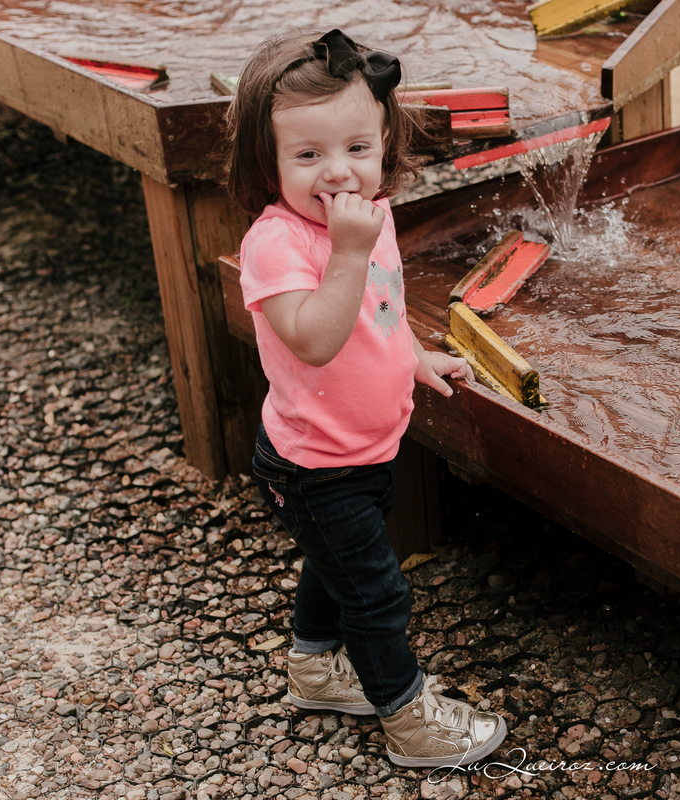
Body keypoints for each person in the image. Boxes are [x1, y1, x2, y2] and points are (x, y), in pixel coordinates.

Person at [224, 28, 505, 768]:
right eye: (308, 156)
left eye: (357, 148)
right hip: (313, 466)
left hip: (366, 448)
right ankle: (408, 719)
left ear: (385, 145)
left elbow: (382, 305)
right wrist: (348, 251)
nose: (339, 172)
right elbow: (314, 339)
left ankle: (315, 668)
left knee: (336, 567)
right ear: (266, 163)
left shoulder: (368, 217)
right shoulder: (279, 245)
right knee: (377, 594)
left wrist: (414, 357)